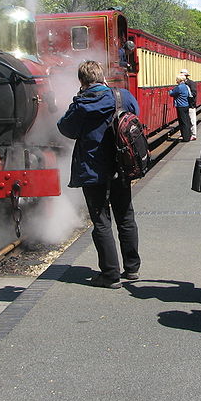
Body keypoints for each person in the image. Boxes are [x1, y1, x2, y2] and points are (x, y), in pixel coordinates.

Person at [57, 60, 141, 289]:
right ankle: (132, 268)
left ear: (82, 81)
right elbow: (135, 115)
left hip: (93, 170)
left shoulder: (80, 104)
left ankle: (110, 275)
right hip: (121, 165)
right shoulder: (121, 96)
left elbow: (65, 129)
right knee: (125, 216)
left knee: (101, 221)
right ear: (102, 76)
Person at [169, 75, 192, 142]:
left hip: (180, 106)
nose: (176, 81)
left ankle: (185, 137)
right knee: (187, 121)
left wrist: (170, 91)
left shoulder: (179, 87)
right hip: (186, 105)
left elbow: (172, 94)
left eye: (177, 80)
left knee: (182, 122)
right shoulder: (186, 86)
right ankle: (188, 135)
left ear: (179, 80)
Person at [180, 69, 198, 140]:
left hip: (190, 105)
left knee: (192, 120)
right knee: (185, 120)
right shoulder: (182, 84)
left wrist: (186, 95)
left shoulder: (191, 83)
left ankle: (193, 135)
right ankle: (186, 134)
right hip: (185, 105)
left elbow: (194, 93)